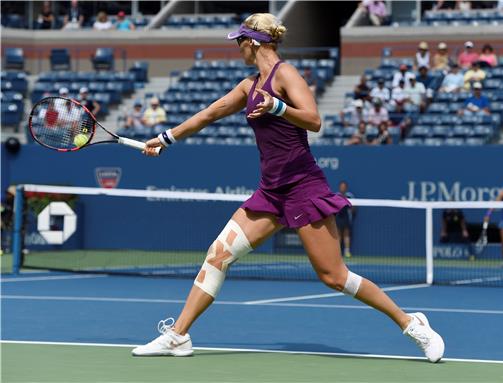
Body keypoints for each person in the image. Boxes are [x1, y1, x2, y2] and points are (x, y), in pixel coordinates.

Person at [135, 13, 444, 362]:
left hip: (304, 187)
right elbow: (209, 114)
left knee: (334, 276)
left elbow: (314, 120)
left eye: (240, 41)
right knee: (218, 254)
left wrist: (278, 106)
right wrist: (164, 139)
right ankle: (178, 335)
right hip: (270, 192)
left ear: (253, 42)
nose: (237, 48)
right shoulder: (248, 86)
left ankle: (411, 323)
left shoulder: (286, 75)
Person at [335, 181, 355, 258]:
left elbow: (353, 208)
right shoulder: (336, 195)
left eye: (344, 186)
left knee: (346, 234)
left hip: (346, 218)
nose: (342, 188)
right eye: (341, 186)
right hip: (338, 217)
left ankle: (347, 252)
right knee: (338, 235)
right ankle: (338, 252)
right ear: (339, 187)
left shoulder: (349, 196)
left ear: (346, 188)